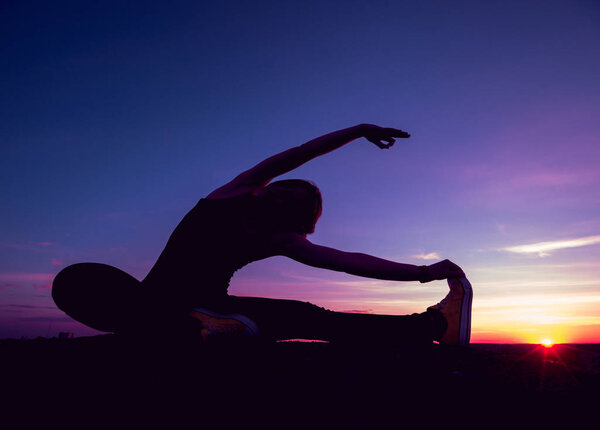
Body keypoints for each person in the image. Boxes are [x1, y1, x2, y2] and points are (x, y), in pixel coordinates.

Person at [52, 124, 472, 346]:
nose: (277, 192)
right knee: (80, 278)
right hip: (160, 302)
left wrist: (422, 272)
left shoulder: (278, 237)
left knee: (310, 317)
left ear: (296, 216)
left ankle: (435, 324)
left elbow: (351, 261)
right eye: (281, 186)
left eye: (290, 197)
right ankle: (196, 327)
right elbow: (298, 154)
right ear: (266, 186)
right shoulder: (233, 195)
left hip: (204, 308)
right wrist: (357, 130)